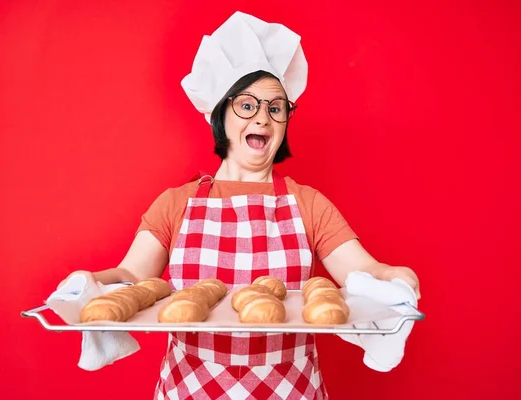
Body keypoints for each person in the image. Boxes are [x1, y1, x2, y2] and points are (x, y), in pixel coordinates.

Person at [59, 11, 420, 399]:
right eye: (247, 105)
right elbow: (131, 275)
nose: (263, 118)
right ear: (220, 114)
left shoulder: (308, 204)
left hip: (291, 390)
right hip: (189, 389)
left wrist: (393, 278)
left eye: (276, 107)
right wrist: (89, 286)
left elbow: (361, 272)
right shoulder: (176, 203)